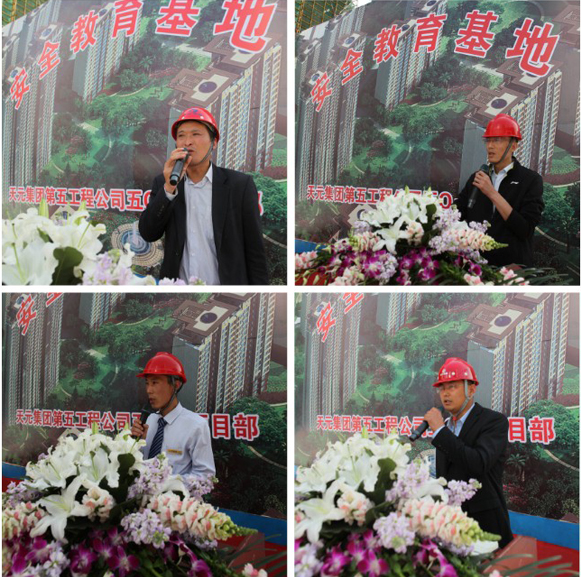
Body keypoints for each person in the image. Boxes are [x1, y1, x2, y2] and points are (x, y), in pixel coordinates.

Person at [138, 107, 269, 285]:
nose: (188, 142)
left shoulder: (239, 185)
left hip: (225, 291)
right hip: (179, 292)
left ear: (214, 142)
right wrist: (169, 188)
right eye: (181, 136)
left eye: (196, 134)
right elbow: (148, 232)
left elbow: (255, 249)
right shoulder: (164, 182)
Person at [423, 357, 513, 549]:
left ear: (471, 390)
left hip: (485, 524)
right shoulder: (446, 428)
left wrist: (440, 432)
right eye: (442, 388)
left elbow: (478, 463)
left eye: (452, 387)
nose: (446, 393)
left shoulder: (494, 421)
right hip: (451, 527)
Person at [455, 113, 544, 268]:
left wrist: (492, 193)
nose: (490, 146)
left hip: (511, 270)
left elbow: (525, 229)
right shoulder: (477, 178)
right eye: (488, 140)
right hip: (476, 268)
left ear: (513, 146)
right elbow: (457, 214)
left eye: (497, 140)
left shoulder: (530, 180)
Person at [131, 352, 215, 477]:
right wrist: (136, 443)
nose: (149, 390)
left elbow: (205, 476)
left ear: (176, 385)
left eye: (155, 383)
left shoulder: (196, 425)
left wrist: (165, 483)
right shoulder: (150, 420)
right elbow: (139, 464)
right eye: (147, 383)